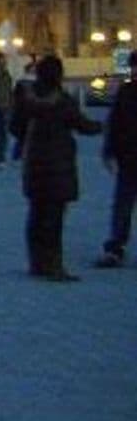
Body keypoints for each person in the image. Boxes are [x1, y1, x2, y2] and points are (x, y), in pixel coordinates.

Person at [9, 55, 102, 281]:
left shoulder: (25, 99)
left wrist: (27, 138)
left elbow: (14, 126)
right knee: (54, 218)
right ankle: (53, 265)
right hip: (58, 164)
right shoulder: (63, 101)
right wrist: (105, 126)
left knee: (36, 215)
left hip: (33, 163)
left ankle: (37, 262)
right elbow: (83, 125)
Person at [94, 52, 137, 268]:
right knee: (123, 204)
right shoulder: (126, 91)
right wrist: (108, 149)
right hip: (129, 157)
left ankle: (116, 244)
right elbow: (115, 122)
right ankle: (116, 245)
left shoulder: (126, 91)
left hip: (128, 155)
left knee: (123, 203)